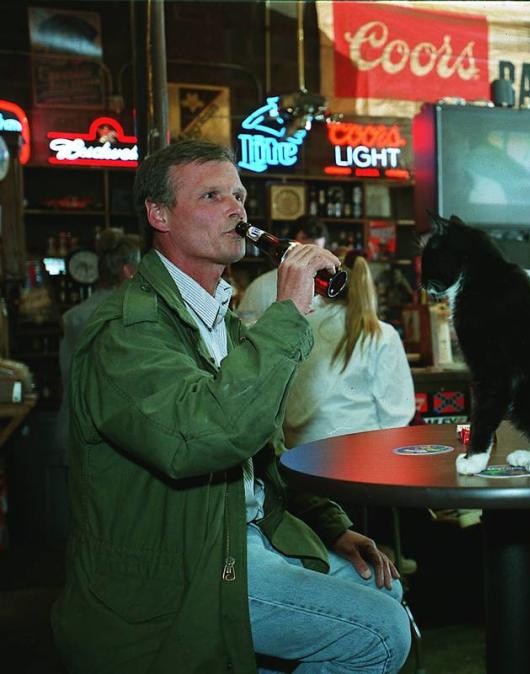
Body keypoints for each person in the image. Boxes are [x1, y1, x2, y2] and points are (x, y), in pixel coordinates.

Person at [51, 139, 411, 673]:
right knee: (381, 635)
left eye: (239, 194)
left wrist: (331, 525)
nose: (237, 208)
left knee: (386, 587)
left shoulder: (218, 313)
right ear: (159, 214)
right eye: (212, 195)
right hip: (183, 565)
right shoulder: (128, 332)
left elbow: (262, 451)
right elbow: (205, 436)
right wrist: (287, 312)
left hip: (246, 535)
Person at [52, 228, 141, 540]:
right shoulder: (124, 315)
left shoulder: (75, 315)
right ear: (129, 271)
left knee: (83, 533)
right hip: (104, 443)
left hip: (71, 431)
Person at [283, 249, 414, 448]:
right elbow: (396, 417)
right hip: (360, 459)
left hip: (297, 457)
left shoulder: (297, 326)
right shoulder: (380, 335)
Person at [236, 215, 328, 324]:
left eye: (316, 253)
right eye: (305, 251)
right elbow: (243, 331)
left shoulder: (325, 290)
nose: (310, 258)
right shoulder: (260, 287)